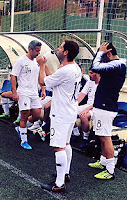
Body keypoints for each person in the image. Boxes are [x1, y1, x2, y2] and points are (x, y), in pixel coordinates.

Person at [38, 40, 81, 193]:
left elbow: (42, 81)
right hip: (70, 112)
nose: (58, 48)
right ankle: (66, 173)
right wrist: (45, 66)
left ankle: (59, 183)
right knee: (66, 143)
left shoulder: (66, 70)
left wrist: (41, 65)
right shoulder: (75, 68)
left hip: (61, 114)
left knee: (58, 147)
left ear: (66, 52)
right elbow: (55, 78)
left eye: (61, 47)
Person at [88, 42, 126, 180]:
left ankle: (110, 170)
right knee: (102, 136)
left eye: (103, 56)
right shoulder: (117, 64)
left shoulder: (118, 64)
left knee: (105, 137)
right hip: (102, 106)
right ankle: (103, 161)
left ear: (108, 54)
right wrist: (101, 52)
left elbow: (95, 67)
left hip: (106, 107)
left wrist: (100, 52)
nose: (101, 60)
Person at [12, 40, 45, 150]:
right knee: (25, 115)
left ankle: (21, 129)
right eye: (37, 50)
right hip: (23, 92)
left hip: (34, 92)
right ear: (30, 49)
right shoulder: (21, 61)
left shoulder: (37, 62)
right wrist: (14, 92)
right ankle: (24, 141)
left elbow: (39, 76)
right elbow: (13, 76)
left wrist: (43, 89)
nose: (38, 53)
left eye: (39, 51)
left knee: (36, 115)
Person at [71, 70, 100, 148]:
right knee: (69, 111)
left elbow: (99, 102)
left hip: (97, 108)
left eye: (91, 73)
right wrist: (74, 104)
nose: (89, 75)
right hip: (87, 106)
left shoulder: (103, 84)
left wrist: (86, 109)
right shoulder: (90, 82)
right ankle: (76, 134)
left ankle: (85, 139)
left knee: (83, 116)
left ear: (97, 74)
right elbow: (82, 95)